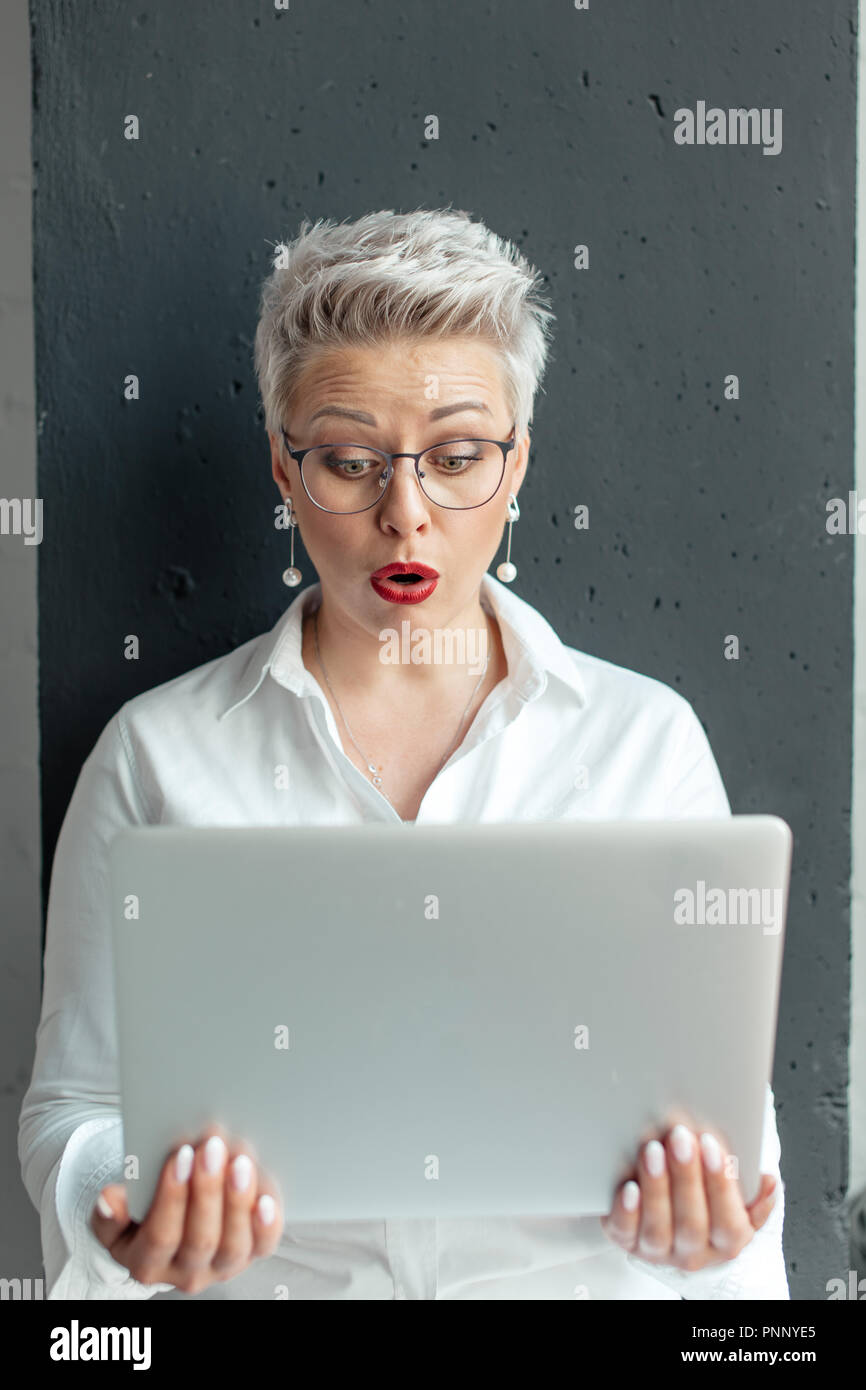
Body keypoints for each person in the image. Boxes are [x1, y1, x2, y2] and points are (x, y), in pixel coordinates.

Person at [18, 207, 789, 1299]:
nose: (405, 514)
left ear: (518, 465)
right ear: (284, 472)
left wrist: (714, 1230)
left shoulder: (643, 744)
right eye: (348, 461)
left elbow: (733, 1143)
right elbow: (73, 1110)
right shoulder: (157, 755)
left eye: (458, 456)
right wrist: (131, 1199)